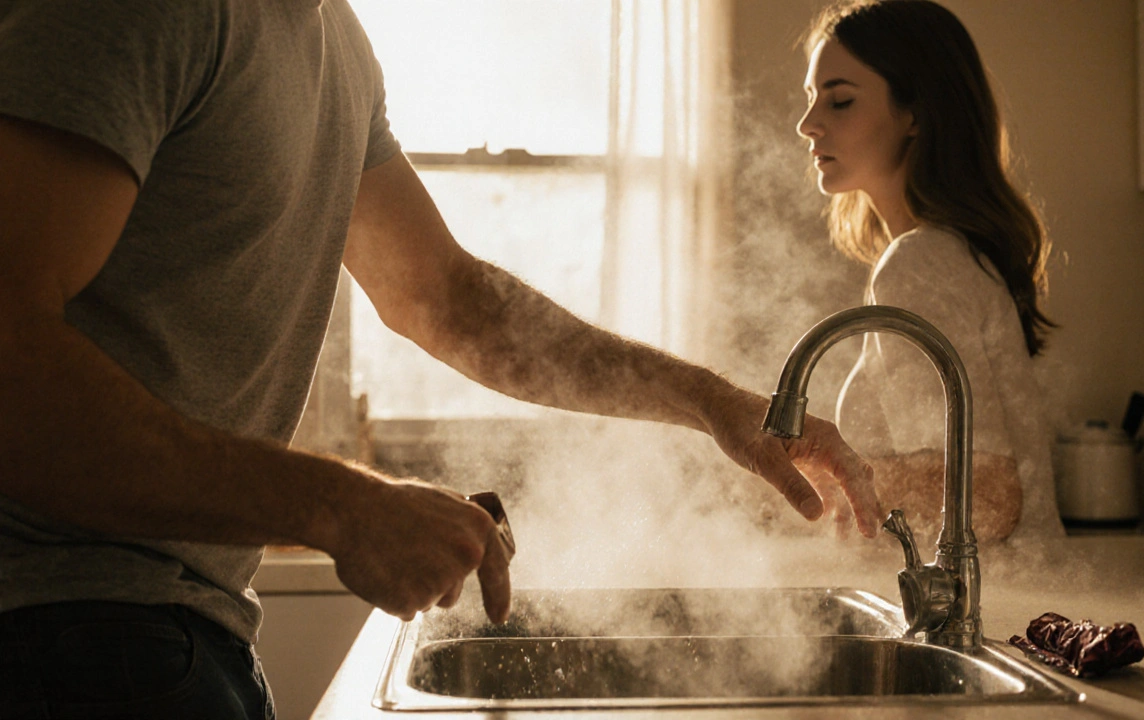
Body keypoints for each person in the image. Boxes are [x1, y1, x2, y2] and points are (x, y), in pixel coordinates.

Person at [0, 1, 882, 717]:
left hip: (178, 629)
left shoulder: (332, 41)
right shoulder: (134, 13)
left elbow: (448, 299)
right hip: (57, 629)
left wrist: (712, 401)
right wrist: (341, 507)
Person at [796, 0, 1065, 543]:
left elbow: (985, 497)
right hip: (1019, 603)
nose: (807, 124)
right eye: (810, 100)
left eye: (840, 100)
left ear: (915, 114)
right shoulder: (943, 255)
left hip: (1002, 610)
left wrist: (805, 482)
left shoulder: (919, 264)